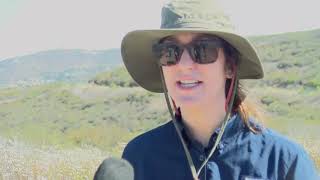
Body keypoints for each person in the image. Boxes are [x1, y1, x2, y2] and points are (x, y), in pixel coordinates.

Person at [120, 0, 318, 179]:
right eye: (170, 52)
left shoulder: (282, 161)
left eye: (203, 50)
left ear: (230, 66)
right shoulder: (139, 157)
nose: (184, 64)